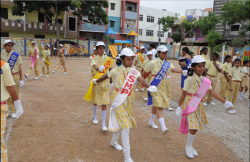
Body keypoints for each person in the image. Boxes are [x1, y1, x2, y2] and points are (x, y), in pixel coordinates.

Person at [93, 48, 157, 162]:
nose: (131, 61)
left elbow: (142, 80)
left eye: (132, 59)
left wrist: (149, 86)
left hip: (129, 100)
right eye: (128, 59)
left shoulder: (134, 72)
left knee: (122, 123)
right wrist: (96, 81)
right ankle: (127, 157)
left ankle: (113, 142)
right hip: (118, 99)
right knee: (126, 127)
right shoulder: (116, 71)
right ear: (122, 59)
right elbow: (106, 76)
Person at [176, 55, 233, 159]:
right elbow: (183, 94)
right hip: (190, 103)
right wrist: (179, 107)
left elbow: (212, 92)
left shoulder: (205, 80)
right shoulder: (189, 80)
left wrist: (224, 102)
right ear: (193, 67)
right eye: (199, 66)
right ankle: (188, 147)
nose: (202, 68)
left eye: (203, 66)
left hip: (199, 104)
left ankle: (189, 145)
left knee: (196, 128)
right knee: (193, 126)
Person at [141, 45, 186, 134]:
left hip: (164, 86)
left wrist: (183, 71)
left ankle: (151, 122)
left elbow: (174, 69)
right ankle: (163, 127)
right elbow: (144, 72)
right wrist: (138, 80)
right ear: (158, 53)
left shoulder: (167, 64)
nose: (165, 54)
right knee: (159, 105)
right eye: (163, 53)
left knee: (156, 104)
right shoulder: (153, 63)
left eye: (166, 52)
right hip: (155, 86)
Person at [1, 59, 24, 162]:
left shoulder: (14, 57)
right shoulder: (3, 65)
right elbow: (10, 87)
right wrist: (18, 102)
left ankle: (12, 111)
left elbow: (19, 67)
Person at [91, 42, 113, 131]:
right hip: (96, 82)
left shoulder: (108, 59)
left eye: (103, 48)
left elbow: (110, 70)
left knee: (104, 102)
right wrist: (98, 68)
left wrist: (111, 82)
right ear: (96, 49)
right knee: (96, 100)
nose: (102, 50)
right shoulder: (93, 58)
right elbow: (95, 67)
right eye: (100, 48)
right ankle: (94, 116)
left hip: (105, 83)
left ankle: (103, 124)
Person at [1, 39, 24, 119]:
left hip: (15, 76)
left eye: (11, 45)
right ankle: (8, 110)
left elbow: (20, 68)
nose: (10, 47)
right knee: (6, 94)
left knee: (15, 94)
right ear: (4, 46)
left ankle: (14, 111)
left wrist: (21, 79)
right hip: (6, 76)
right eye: (8, 45)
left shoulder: (16, 55)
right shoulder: (1, 56)